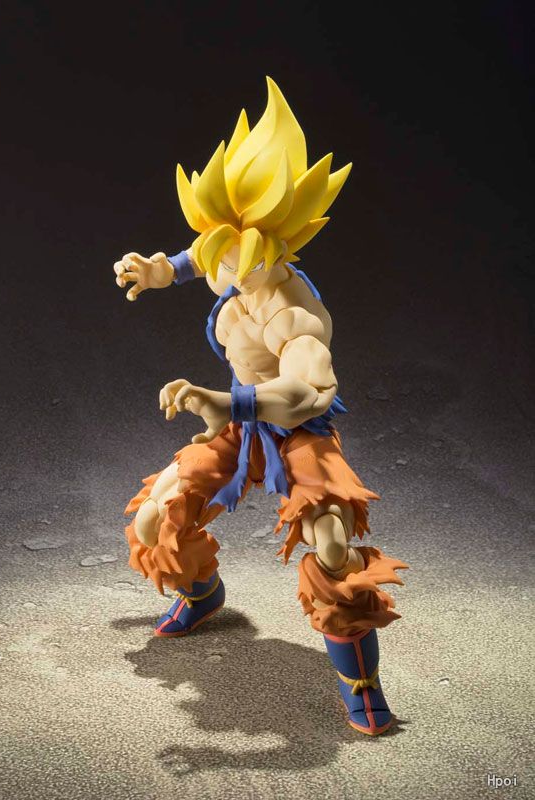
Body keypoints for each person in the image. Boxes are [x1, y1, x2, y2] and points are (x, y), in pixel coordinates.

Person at [114, 77, 408, 736]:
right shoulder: (232, 256)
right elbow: (205, 256)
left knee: (332, 545)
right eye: (220, 248)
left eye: (240, 255)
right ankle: (201, 594)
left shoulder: (294, 312)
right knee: (155, 517)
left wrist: (228, 400)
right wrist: (161, 270)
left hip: (296, 432)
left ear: (276, 246)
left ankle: (361, 684)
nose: (224, 266)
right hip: (236, 426)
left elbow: (307, 391)